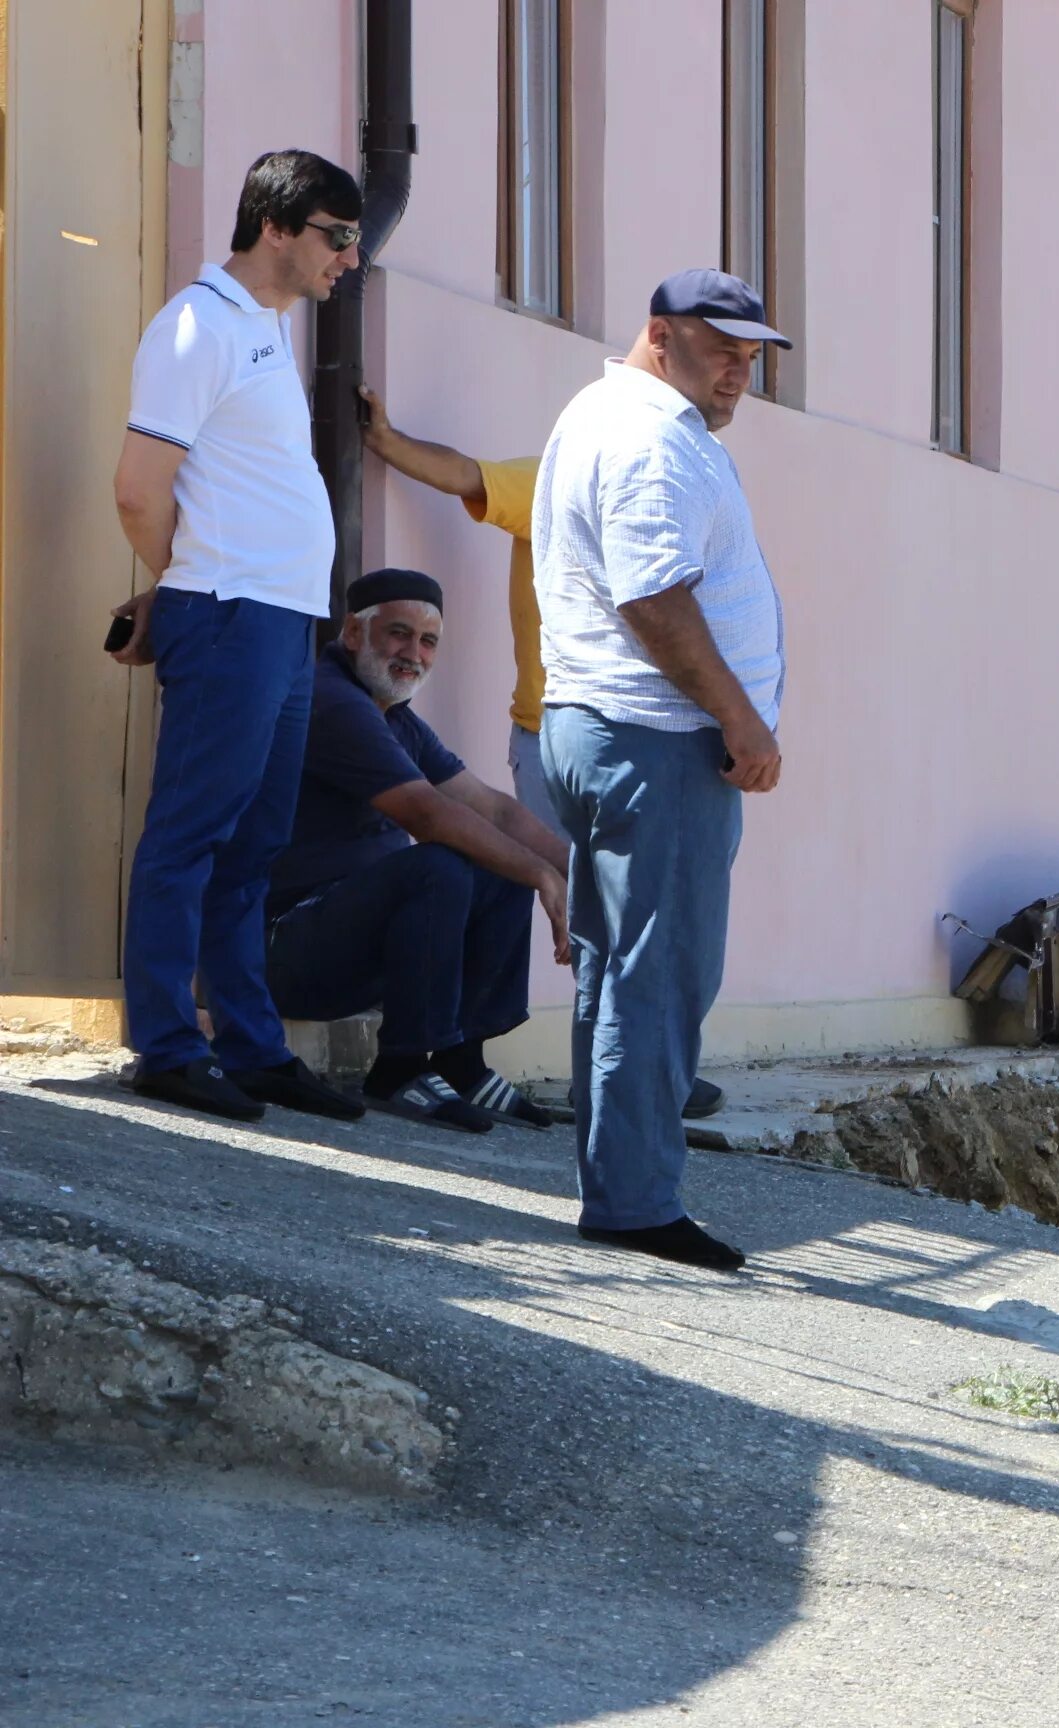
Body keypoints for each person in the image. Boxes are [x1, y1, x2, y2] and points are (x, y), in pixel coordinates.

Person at [354, 389, 725, 1121]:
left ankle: (640, 1071)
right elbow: (467, 475)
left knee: (641, 908)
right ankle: (620, 1079)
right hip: (558, 738)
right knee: (590, 903)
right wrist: (389, 442)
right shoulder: (553, 480)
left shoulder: (668, 509)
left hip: (648, 740)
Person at [108, 150, 371, 1125]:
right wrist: (179, 588)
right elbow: (141, 488)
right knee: (192, 834)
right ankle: (167, 1045)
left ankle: (250, 1048)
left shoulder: (262, 329)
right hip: (229, 615)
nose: (350, 258)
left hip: (279, 622)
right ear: (278, 227)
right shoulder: (195, 327)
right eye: (338, 237)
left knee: (255, 844)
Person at [534, 270, 787, 1272]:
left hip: (614, 730)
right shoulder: (650, 439)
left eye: (750, 355)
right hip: (654, 739)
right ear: (658, 335)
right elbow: (656, 601)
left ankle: (624, 1184)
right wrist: (742, 722)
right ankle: (636, 1202)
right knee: (657, 972)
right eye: (720, 348)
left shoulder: (620, 418)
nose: (738, 371)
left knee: (621, 969)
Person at [264, 569, 574, 1133]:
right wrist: (540, 874)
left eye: (428, 641)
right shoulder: (332, 700)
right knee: (441, 864)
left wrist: (578, 876)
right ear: (354, 634)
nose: (414, 653)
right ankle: (398, 1069)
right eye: (398, 634)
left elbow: (493, 810)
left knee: (496, 863)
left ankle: (461, 1064)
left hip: (356, 943)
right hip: (290, 943)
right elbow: (426, 815)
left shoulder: (394, 717)